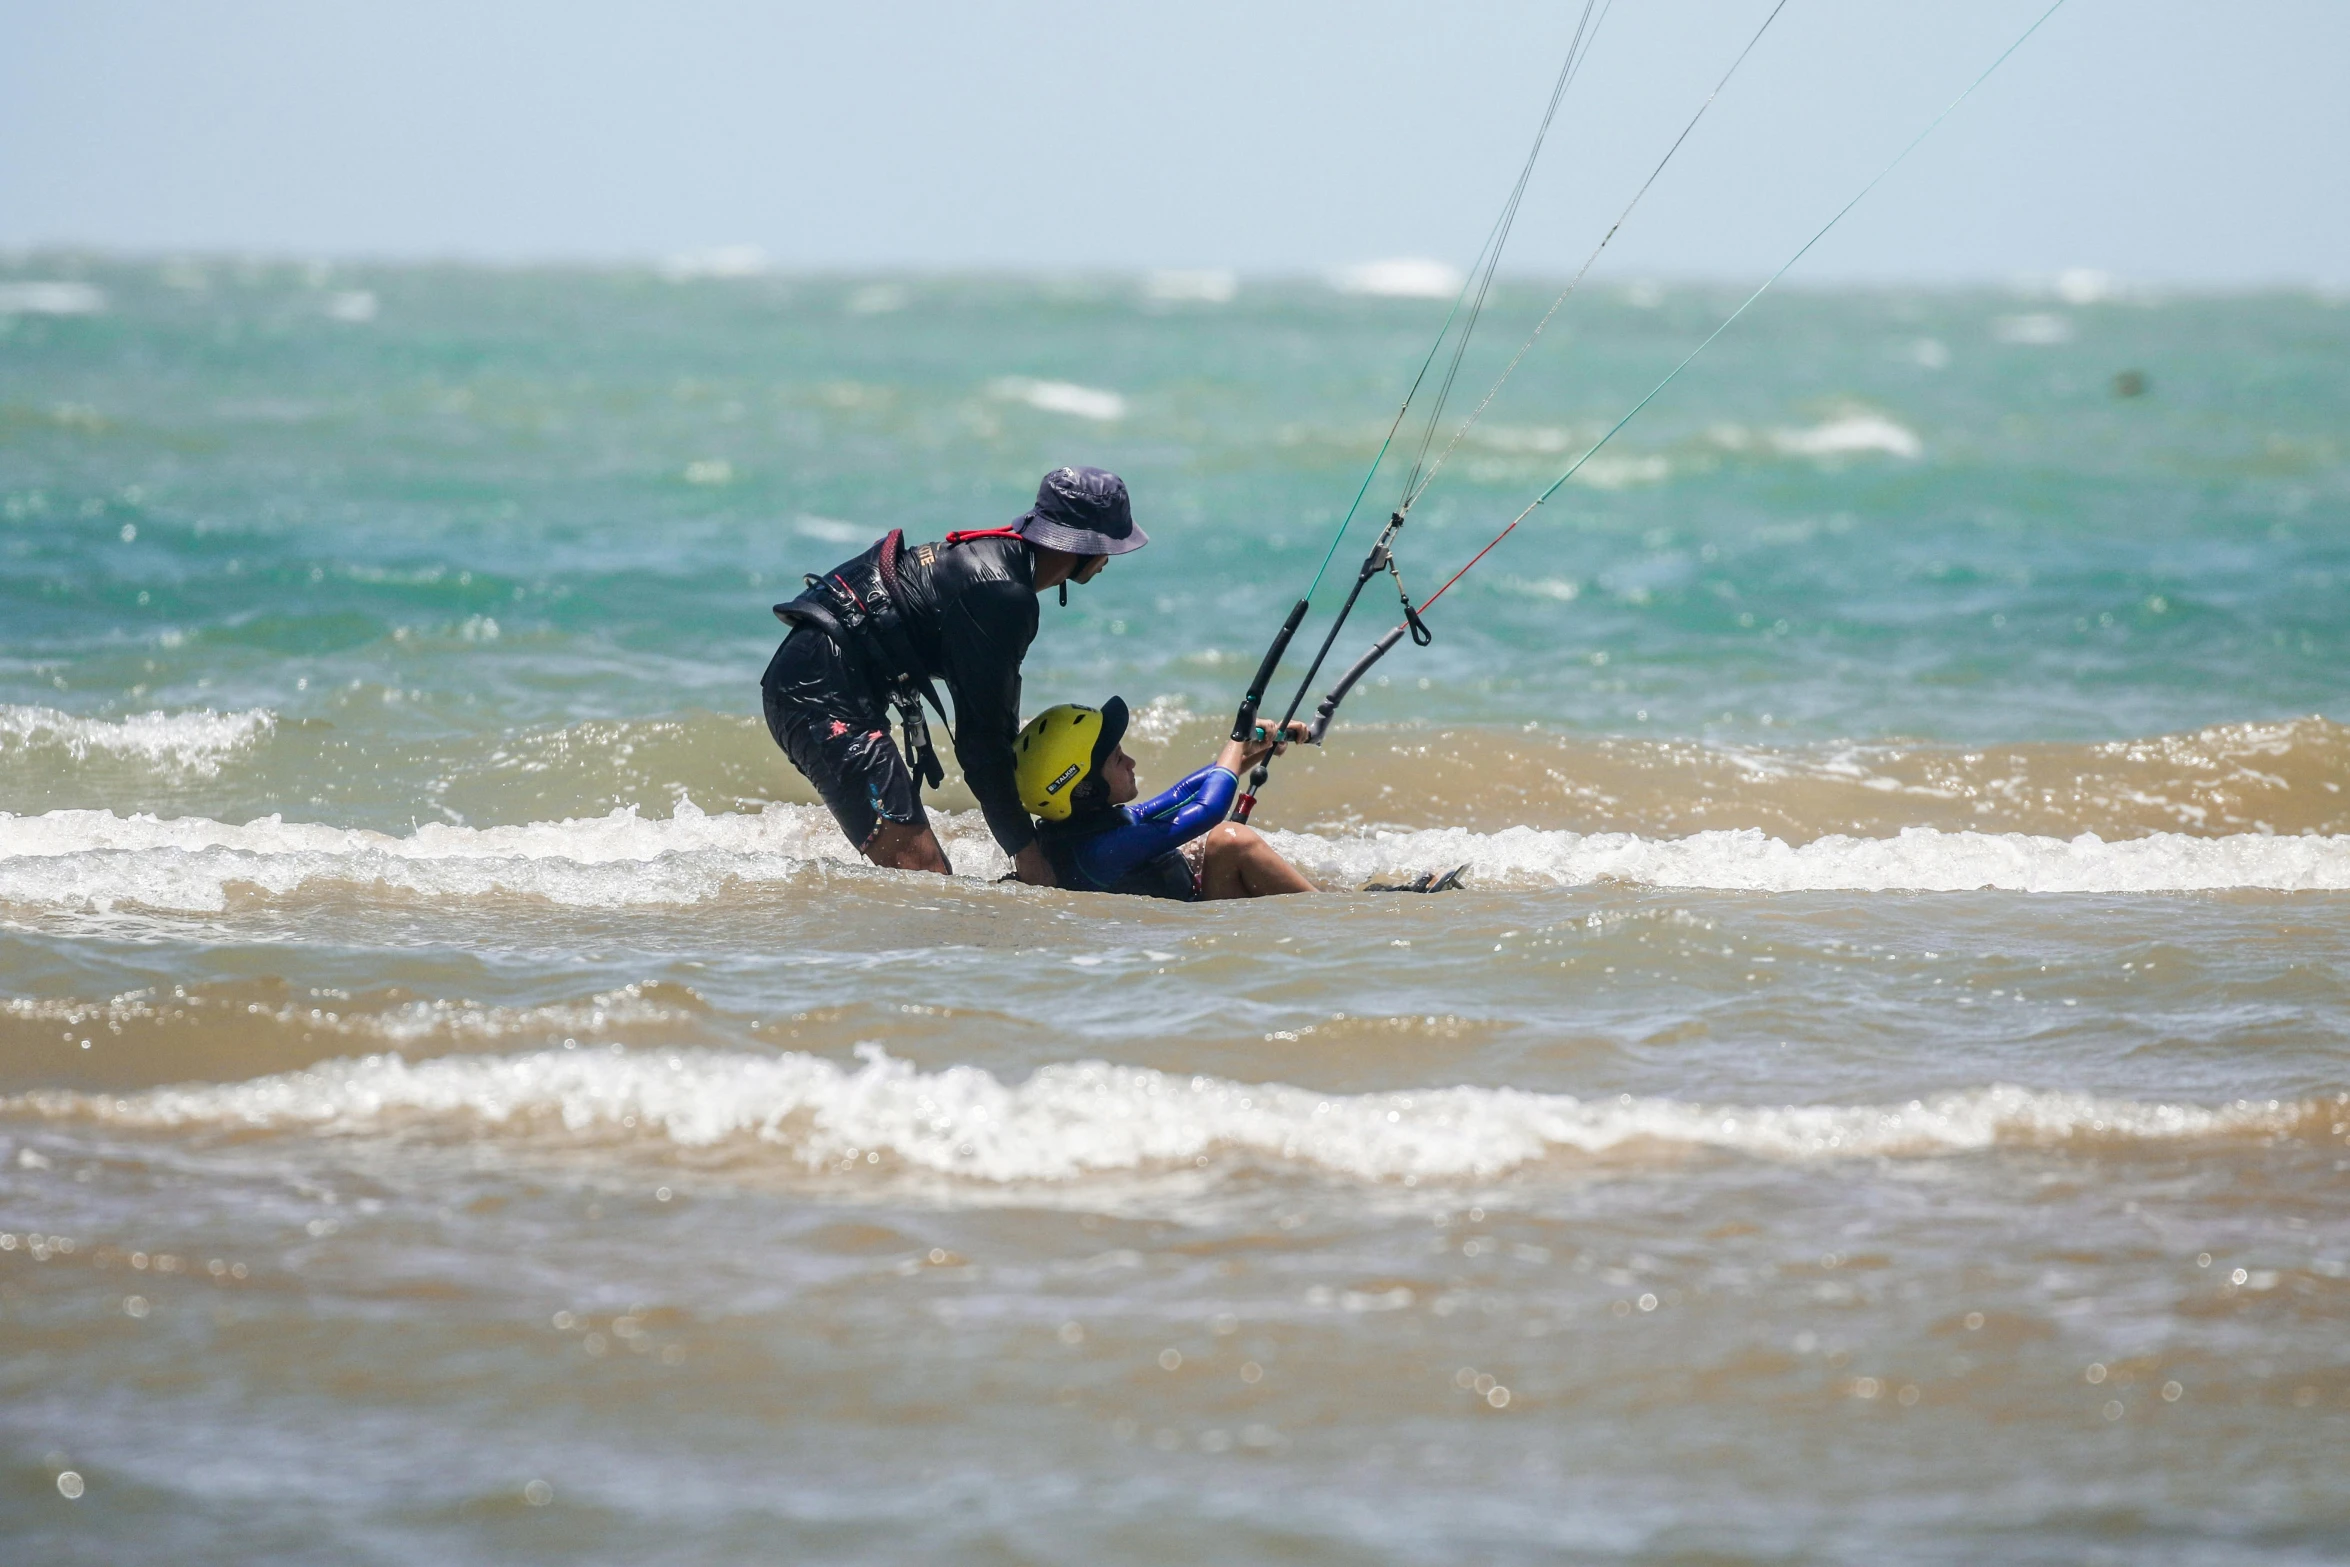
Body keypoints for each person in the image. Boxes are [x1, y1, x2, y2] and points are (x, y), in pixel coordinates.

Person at [762, 466, 1144, 885]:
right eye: (1110, 544)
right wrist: (1029, 857)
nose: (1110, 558)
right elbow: (982, 747)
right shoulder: (1003, 597)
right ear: (1082, 544)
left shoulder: (999, 563)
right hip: (819, 694)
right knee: (926, 879)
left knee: (926, 884)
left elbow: (992, 733)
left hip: (816, 676)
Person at [1013, 696, 1317, 900]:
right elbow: (1209, 809)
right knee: (1229, 839)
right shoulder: (1099, 852)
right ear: (1083, 788)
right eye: (1118, 759)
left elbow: (1184, 794)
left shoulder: (1084, 827)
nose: (1131, 763)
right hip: (1194, 938)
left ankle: (1329, 896)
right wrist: (1235, 741)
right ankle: (1324, 914)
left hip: (1195, 906)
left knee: (1199, 847)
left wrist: (1250, 749)